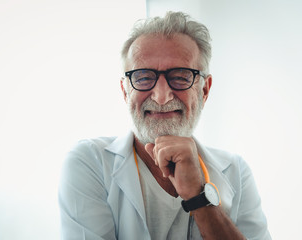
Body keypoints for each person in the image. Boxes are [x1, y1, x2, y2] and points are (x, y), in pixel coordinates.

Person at [59, 11, 271, 240]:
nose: (161, 97)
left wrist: (198, 197)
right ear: (125, 91)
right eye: (142, 77)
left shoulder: (235, 171)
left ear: (205, 90)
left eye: (180, 76)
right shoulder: (90, 162)